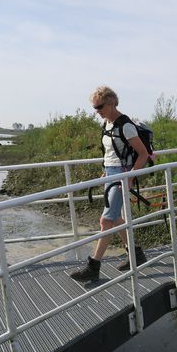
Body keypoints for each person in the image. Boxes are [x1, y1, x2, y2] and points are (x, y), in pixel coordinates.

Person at [70, 86, 149, 282]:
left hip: (123, 174)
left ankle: (93, 266)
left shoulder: (126, 126)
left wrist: (129, 177)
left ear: (112, 102)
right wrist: (106, 169)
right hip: (110, 174)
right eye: (94, 108)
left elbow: (143, 154)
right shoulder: (106, 124)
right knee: (114, 218)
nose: (97, 111)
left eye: (99, 106)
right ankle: (136, 254)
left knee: (106, 221)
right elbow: (110, 151)